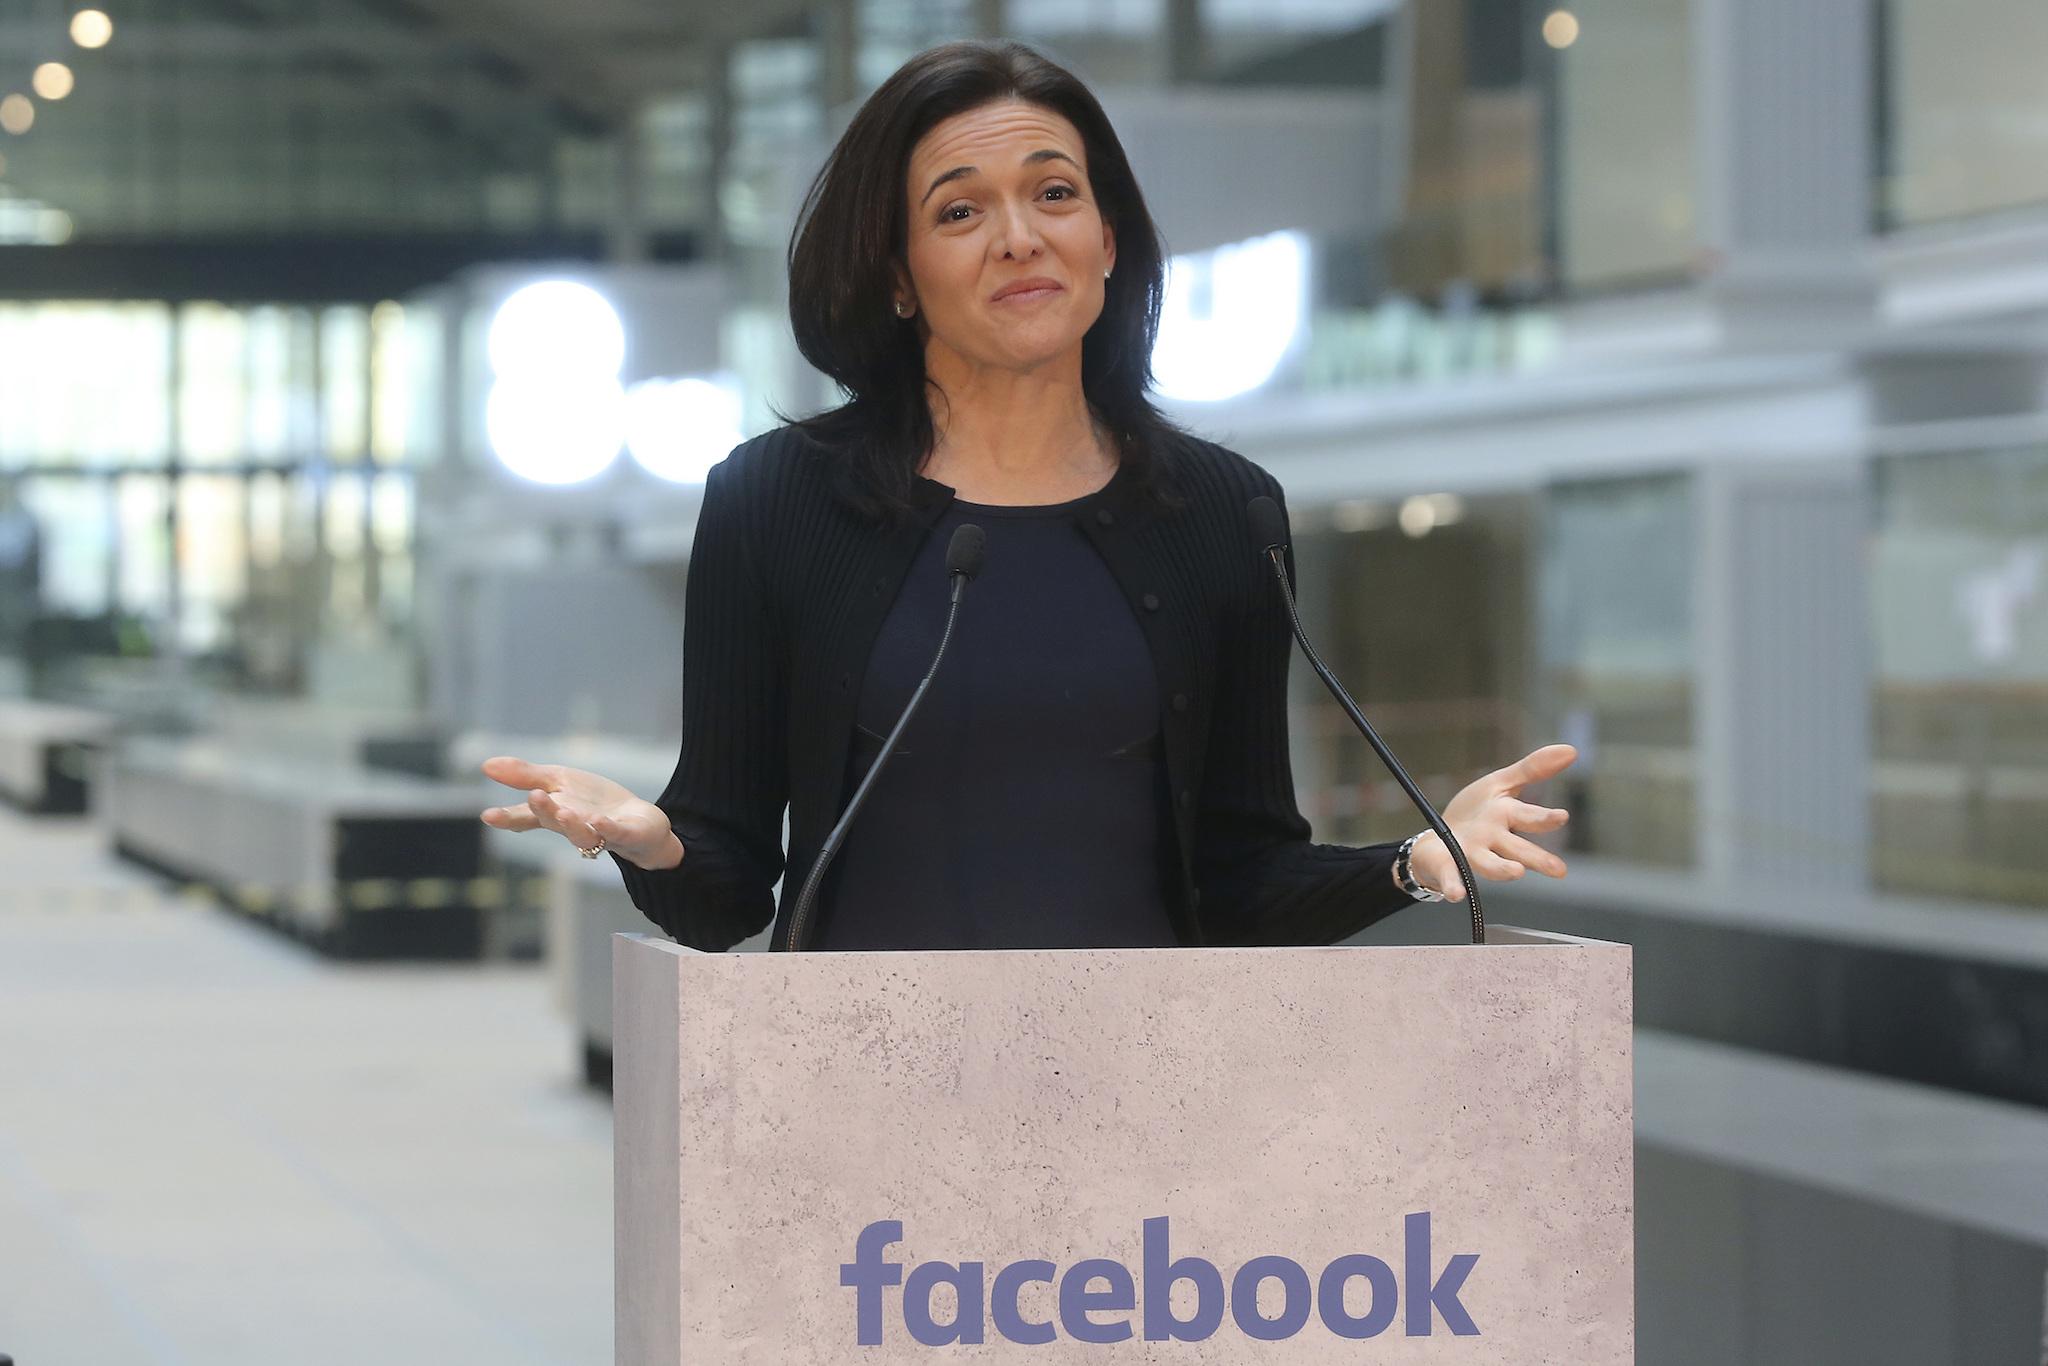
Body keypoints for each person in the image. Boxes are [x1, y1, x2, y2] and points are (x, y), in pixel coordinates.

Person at [478, 39, 1575, 952]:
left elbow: (1239, 881)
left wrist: (1410, 864)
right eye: (959, 213)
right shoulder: (777, 502)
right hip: (860, 1110)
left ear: (1106, 240)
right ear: (897, 277)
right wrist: (648, 840)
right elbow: (722, 897)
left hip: (1146, 1109)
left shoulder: (1220, 511)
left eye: (1054, 193)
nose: (1018, 236)